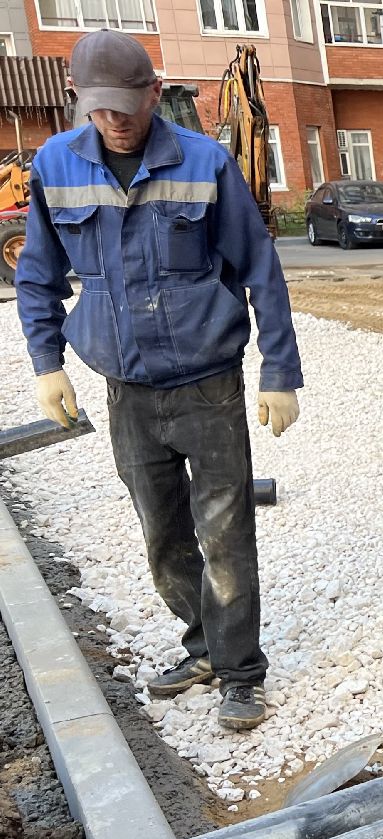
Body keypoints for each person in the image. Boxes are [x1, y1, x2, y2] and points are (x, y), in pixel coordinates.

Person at [16, 29, 304, 731]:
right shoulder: (56, 165)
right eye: (100, 107)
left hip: (208, 385)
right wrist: (47, 364)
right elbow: (39, 274)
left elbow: (260, 269)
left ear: (154, 92)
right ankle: (203, 647)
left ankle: (240, 672)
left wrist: (278, 371)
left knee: (226, 536)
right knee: (163, 537)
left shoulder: (204, 162)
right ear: (78, 98)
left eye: (127, 104)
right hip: (128, 392)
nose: (115, 119)